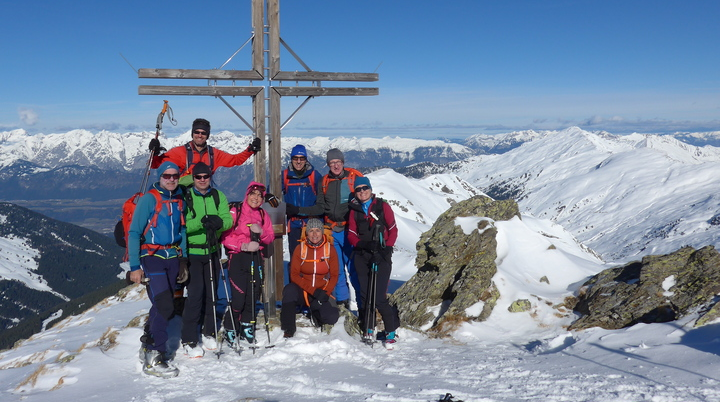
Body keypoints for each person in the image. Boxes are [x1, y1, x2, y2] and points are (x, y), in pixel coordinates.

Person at [128, 161, 187, 378]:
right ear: (160, 177)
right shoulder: (149, 199)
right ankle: (155, 356)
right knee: (164, 305)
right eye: (167, 176)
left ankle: (148, 343)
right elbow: (134, 232)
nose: (171, 179)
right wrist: (135, 267)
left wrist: (183, 258)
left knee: (162, 304)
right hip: (151, 257)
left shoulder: (178, 198)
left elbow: (182, 229)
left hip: (172, 257)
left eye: (175, 176)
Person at [286, 148, 363, 310]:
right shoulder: (324, 181)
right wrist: (298, 210)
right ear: (328, 164)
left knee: (355, 269)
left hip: (350, 231)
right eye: (332, 163)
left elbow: (364, 202)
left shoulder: (353, 179)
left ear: (343, 163)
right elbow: (320, 208)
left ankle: (363, 303)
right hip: (332, 230)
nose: (335, 166)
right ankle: (342, 304)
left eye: (338, 162)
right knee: (337, 270)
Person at [180, 162, 232, 358]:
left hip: (212, 251)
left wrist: (219, 223)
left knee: (212, 294)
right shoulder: (186, 197)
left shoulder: (218, 196)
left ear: (210, 177)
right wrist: (201, 222)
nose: (202, 180)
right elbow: (183, 225)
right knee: (195, 296)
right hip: (193, 252)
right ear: (193, 178)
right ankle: (189, 338)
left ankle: (208, 331)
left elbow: (227, 219)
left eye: (206, 176)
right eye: (199, 177)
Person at [347, 176, 400, 347]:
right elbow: (351, 233)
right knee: (364, 294)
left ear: (370, 189)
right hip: (362, 254)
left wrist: (387, 249)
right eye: (359, 189)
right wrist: (363, 244)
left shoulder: (382, 206)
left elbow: (392, 228)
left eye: (365, 188)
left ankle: (390, 330)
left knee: (378, 297)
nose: (362, 192)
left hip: (381, 254)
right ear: (355, 192)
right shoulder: (354, 210)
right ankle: (368, 326)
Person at [220, 181, 274, 346]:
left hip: (256, 257)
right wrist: (242, 245)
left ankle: (246, 327)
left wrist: (262, 233)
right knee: (239, 296)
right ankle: (230, 327)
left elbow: (270, 237)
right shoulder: (235, 211)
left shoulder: (263, 215)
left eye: (260, 196)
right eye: (253, 194)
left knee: (253, 294)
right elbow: (225, 236)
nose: (256, 198)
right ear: (247, 194)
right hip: (238, 257)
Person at [149, 118, 261, 186]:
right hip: (183, 195)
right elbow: (155, 164)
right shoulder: (179, 152)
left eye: (203, 133)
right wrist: (154, 153)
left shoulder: (214, 154)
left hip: (204, 194)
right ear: (192, 133)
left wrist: (250, 150)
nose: (199, 135)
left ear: (207, 135)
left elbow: (235, 160)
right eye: (197, 132)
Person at [280, 218, 340, 338]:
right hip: (303, 290)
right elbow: (294, 275)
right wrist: (313, 291)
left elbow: (334, 275)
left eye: (317, 230)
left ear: (322, 232)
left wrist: (326, 292)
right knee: (289, 290)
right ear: (306, 233)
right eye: (311, 230)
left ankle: (316, 313)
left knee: (331, 317)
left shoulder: (330, 249)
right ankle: (288, 328)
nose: (314, 234)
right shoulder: (300, 248)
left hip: (322, 290)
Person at [281, 144, 322, 281]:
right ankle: (295, 291)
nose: (298, 161)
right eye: (295, 158)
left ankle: (311, 293)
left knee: (313, 260)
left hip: (312, 226)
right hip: (293, 226)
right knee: (295, 260)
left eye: (301, 158)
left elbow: (322, 201)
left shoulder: (314, 176)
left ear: (306, 159)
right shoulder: (285, 176)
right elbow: (272, 194)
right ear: (291, 159)